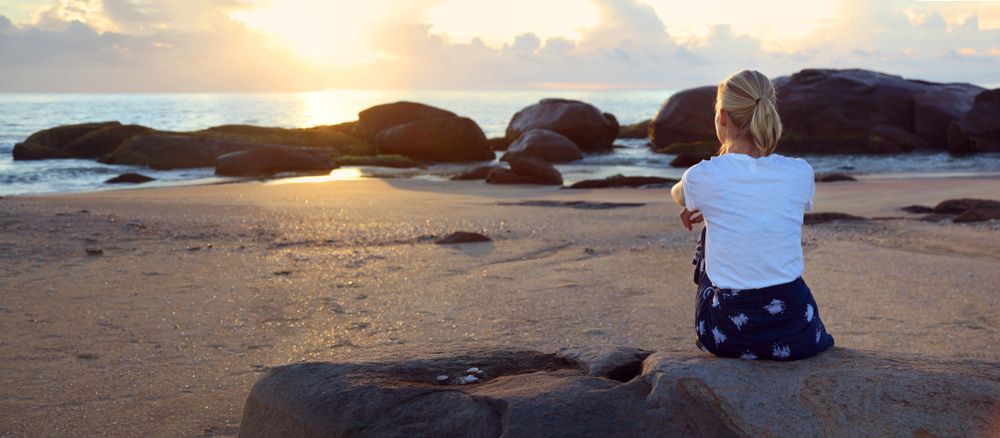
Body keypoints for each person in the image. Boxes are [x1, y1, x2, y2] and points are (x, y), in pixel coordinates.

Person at [670, 69, 835, 361]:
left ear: (722, 116)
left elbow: (677, 194)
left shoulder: (703, 175)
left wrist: (704, 205)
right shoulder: (799, 171)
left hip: (728, 335)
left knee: (711, 227)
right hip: (797, 331)